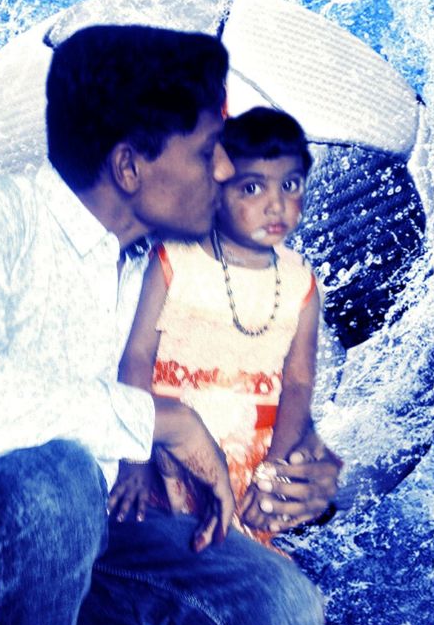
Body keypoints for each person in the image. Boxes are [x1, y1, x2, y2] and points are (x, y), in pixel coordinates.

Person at [0, 26, 334, 625]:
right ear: (129, 168)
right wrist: (161, 419)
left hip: (75, 564)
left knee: (281, 613)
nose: (224, 172)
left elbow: (237, 422)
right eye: (207, 152)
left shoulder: (164, 275)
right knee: (59, 478)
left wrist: (300, 481)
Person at [112, 107, 341, 551]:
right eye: (252, 188)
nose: (276, 205)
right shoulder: (174, 262)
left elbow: (298, 382)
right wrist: (133, 459)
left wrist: (275, 470)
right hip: (170, 450)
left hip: (247, 455)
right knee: (165, 546)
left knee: (245, 560)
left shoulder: (302, 284)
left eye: (290, 185)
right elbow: (137, 356)